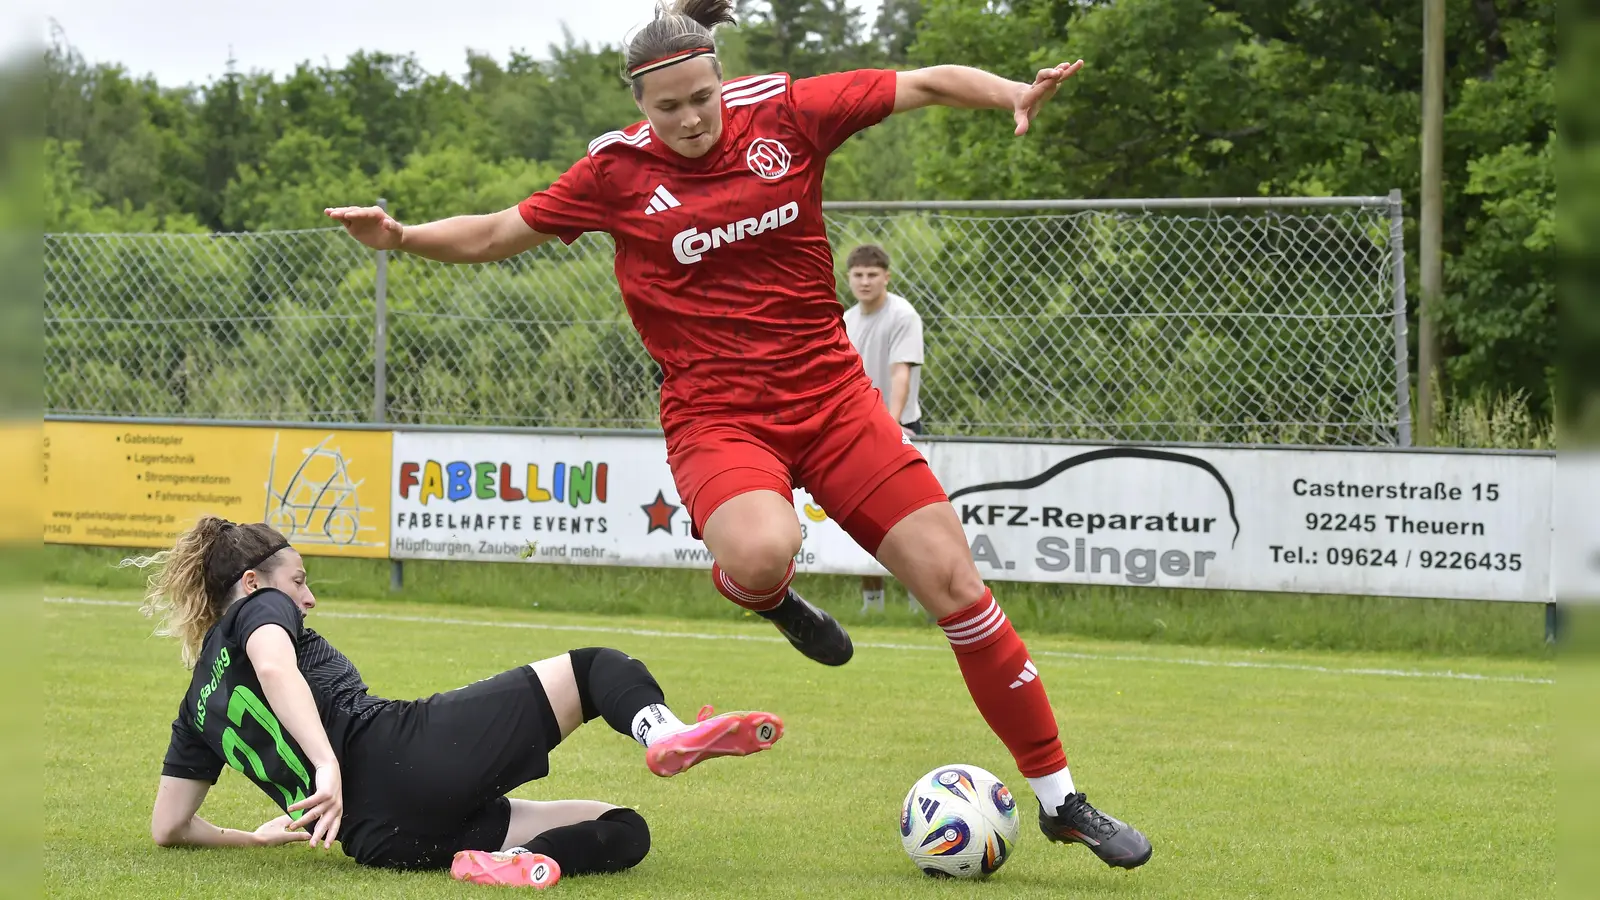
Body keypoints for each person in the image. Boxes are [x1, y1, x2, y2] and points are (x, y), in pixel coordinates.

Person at [324, 0, 1151, 869]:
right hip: (718, 415)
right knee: (763, 554)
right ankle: (763, 593)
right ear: (640, 105)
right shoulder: (614, 173)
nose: (688, 119)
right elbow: (498, 232)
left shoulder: (787, 112)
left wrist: (1012, 91)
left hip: (834, 400)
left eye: (701, 98)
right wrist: (403, 236)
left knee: (957, 587)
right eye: (667, 106)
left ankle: (1061, 800)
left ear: (721, 79)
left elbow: (924, 83)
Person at [133, 517, 784, 886]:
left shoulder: (197, 703)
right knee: (598, 669)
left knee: (624, 828)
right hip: (403, 756)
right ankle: (661, 731)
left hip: (379, 839)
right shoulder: (261, 610)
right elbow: (276, 666)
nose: (307, 599)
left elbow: (170, 827)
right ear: (252, 584)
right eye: (299, 581)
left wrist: (255, 837)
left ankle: (526, 866)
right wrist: (326, 765)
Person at [842, 243, 925, 614]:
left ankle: (919, 597)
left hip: (899, 428)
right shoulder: (845, 320)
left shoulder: (902, 315)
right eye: (858, 275)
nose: (865, 281)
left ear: (886, 277)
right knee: (862, 519)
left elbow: (900, 373)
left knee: (911, 519)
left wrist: (891, 428)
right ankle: (872, 603)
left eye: (872, 275)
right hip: (856, 432)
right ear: (848, 279)